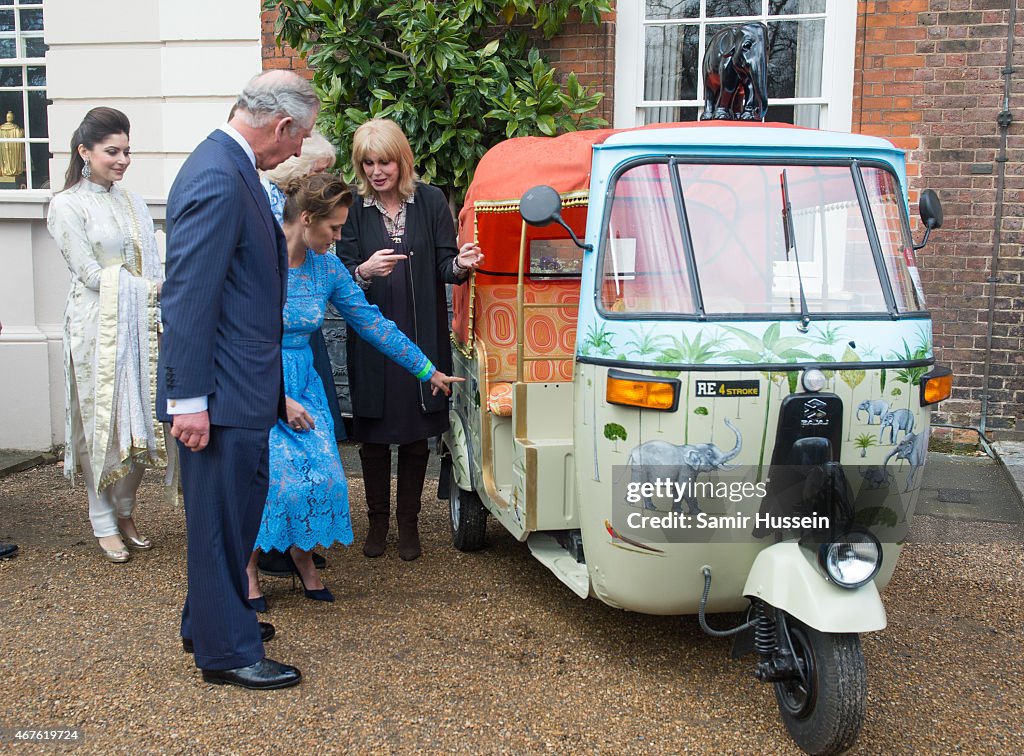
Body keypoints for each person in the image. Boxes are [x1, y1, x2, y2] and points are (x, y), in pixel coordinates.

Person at [157, 70, 318, 691]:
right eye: (298, 137)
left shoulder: (231, 167)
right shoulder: (218, 175)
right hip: (218, 396)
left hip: (241, 390)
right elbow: (188, 299)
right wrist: (188, 400)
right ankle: (226, 652)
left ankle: (208, 621)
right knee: (221, 521)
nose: (299, 150)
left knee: (232, 517)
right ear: (280, 125)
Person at [246, 173, 462, 607]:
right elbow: (236, 339)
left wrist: (426, 370)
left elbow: (372, 323)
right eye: (335, 228)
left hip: (304, 381)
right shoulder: (255, 260)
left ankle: (303, 557)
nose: (341, 237)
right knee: (270, 482)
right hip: (255, 378)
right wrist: (273, 398)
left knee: (325, 476)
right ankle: (248, 569)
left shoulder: (325, 267)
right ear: (306, 219)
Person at [337, 118, 484, 561]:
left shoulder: (431, 201)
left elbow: (444, 267)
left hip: (420, 338)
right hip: (372, 341)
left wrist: (461, 263)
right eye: (367, 163)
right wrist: (364, 271)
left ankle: (409, 525)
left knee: (417, 437)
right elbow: (338, 276)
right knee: (375, 437)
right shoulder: (352, 209)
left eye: (384, 161)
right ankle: (377, 523)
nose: (376, 172)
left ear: (401, 161)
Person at [46, 107, 166, 565]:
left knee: (144, 424)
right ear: (85, 152)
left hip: (141, 323)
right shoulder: (67, 205)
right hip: (97, 326)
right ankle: (101, 519)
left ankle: (125, 510)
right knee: (104, 423)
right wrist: (153, 290)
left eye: (127, 151)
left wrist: (158, 298)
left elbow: (151, 263)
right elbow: (91, 274)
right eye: (112, 151)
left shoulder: (133, 202)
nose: (122, 160)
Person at [257, 130, 338, 580]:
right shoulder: (269, 223)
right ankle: (264, 556)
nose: (324, 178)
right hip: (262, 367)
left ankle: (298, 545)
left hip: (300, 359)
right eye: (319, 171)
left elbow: (364, 316)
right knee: (274, 473)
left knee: (318, 465)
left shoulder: (321, 255)